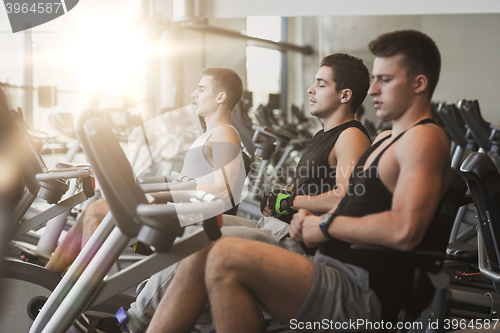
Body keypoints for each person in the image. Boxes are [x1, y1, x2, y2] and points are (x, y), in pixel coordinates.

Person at [145, 29, 451, 333]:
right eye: (374, 79)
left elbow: (405, 230)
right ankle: (142, 319)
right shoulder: (388, 138)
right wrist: (291, 199)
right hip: (333, 264)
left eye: (385, 80)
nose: (372, 90)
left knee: (217, 252)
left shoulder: (422, 138)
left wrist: (322, 224)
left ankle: (136, 321)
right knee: (208, 245)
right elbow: (352, 198)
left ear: (418, 84)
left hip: (357, 287)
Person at [120, 53, 373, 333]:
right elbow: (315, 185)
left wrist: (292, 200)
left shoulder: (351, 135)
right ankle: (150, 310)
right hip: (275, 226)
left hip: (297, 244)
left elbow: (347, 196)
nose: (311, 89)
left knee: (201, 242)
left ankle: (134, 322)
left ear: (345, 95)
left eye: (321, 84)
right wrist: (282, 195)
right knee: (192, 229)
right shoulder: (324, 135)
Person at [45, 67, 246, 274]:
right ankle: (48, 278)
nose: (194, 94)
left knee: (97, 212)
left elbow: (224, 189)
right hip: (180, 209)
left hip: (191, 220)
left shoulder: (224, 133)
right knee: (92, 209)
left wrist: (162, 196)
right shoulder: (210, 134)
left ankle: (81, 290)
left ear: (221, 97)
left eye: (201, 89)